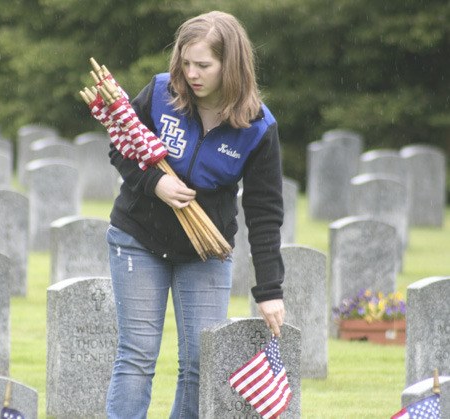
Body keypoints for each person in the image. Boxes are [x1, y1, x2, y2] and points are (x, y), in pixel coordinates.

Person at [105, 10, 285, 419]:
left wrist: (270, 288)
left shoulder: (258, 127)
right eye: (186, 63)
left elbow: (265, 211)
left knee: (199, 365)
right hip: (137, 238)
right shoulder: (160, 92)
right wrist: (155, 183)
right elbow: (121, 146)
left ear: (232, 65)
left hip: (205, 252)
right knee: (136, 356)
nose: (192, 74)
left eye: (203, 65)